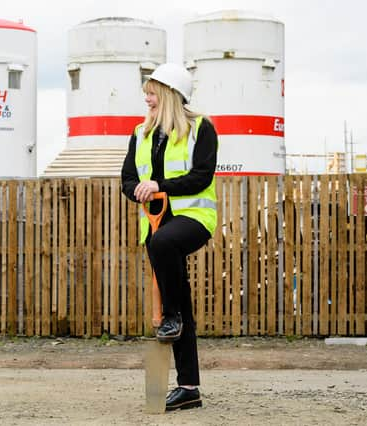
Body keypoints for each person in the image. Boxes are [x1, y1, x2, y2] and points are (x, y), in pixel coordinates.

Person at [120, 63, 218, 412]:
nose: (146, 98)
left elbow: (202, 176)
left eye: (152, 92)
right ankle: (189, 388)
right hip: (155, 222)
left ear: (171, 95)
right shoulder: (140, 133)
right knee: (180, 304)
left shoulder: (200, 128)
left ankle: (170, 317)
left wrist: (161, 186)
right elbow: (128, 180)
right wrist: (140, 192)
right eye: (146, 92)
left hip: (192, 218)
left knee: (170, 305)